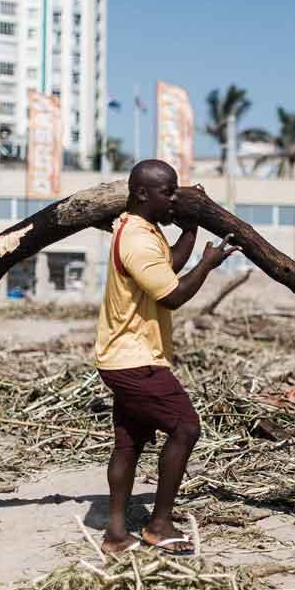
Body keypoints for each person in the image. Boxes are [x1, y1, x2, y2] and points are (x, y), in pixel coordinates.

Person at [95, 160, 240, 554]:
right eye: (168, 191)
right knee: (186, 428)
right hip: (136, 360)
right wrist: (207, 266)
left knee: (129, 444)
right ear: (143, 193)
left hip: (121, 356)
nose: (174, 198)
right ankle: (159, 523)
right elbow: (172, 294)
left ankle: (115, 534)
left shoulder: (140, 228)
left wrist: (191, 230)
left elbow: (169, 266)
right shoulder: (137, 239)